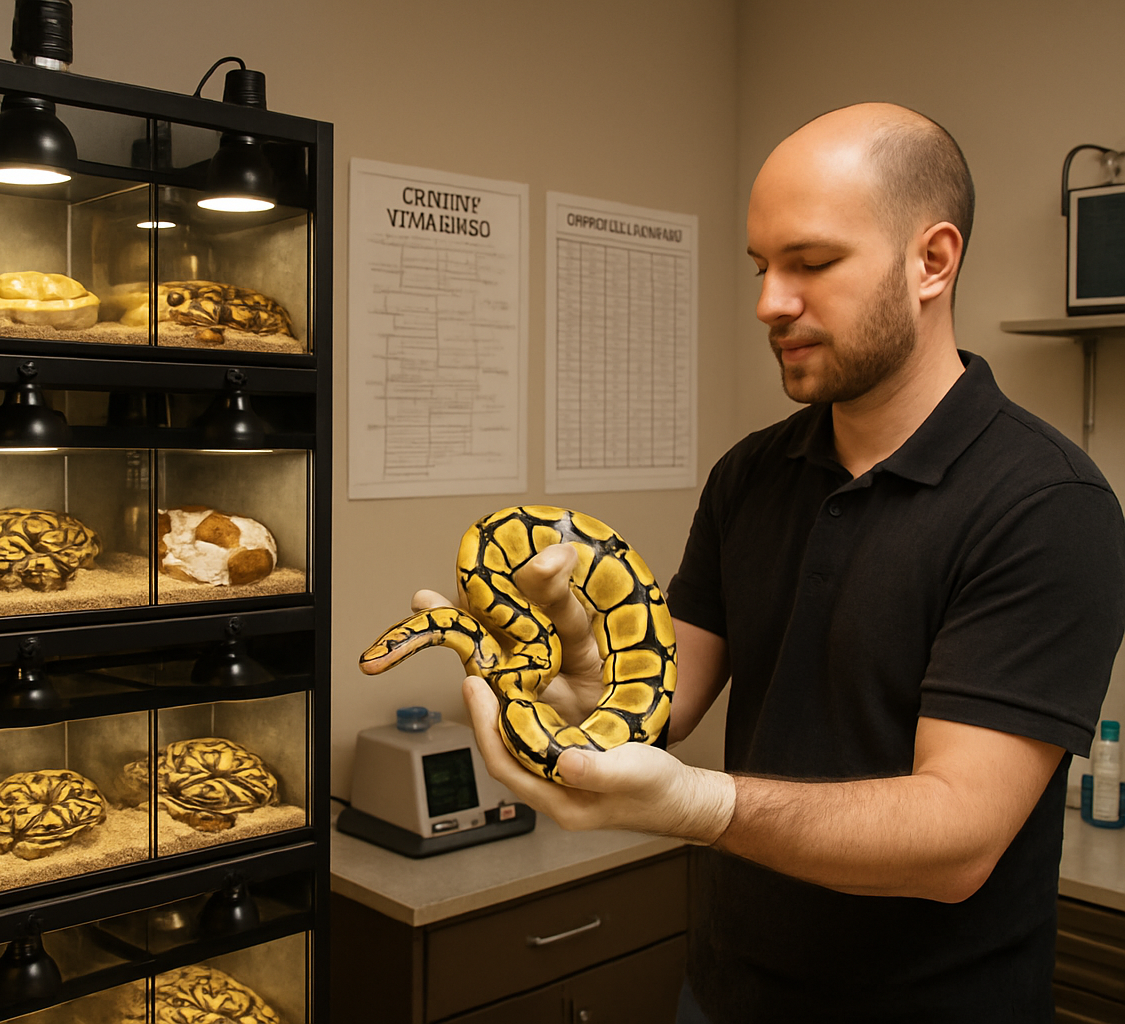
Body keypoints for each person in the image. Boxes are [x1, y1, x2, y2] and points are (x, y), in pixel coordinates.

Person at [441, 103, 1125, 1021]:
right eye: (764, 268)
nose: (770, 302)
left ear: (932, 261)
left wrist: (699, 808)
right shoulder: (750, 474)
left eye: (812, 262)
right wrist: (580, 677)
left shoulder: (1047, 507)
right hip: (725, 994)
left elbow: (957, 840)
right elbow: (663, 700)